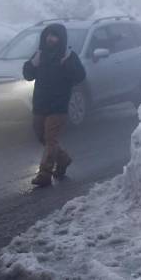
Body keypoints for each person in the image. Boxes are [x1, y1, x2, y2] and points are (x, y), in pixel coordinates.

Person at [22, 23, 87, 187]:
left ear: (61, 38)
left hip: (58, 105)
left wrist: (67, 63)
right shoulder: (40, 55)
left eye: (54, 35)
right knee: (41, 136)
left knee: (51, 138)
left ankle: (45, 173)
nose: (50, 38)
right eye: (48, 35)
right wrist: (31, 64)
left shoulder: (68, 56)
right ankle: (63, 159)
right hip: (40, 103)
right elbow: (28, 76)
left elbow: (80, 76)